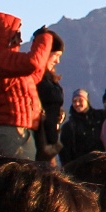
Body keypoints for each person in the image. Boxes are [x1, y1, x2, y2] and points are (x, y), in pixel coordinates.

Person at [0, 12, 55, 162]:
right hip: (12, 131)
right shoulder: (0, 58)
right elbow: (33, 63)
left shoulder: (4, 62)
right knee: (22, 179)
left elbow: (34, 75)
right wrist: (44, 38)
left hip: (17, 130)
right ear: (6, 35)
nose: (20, 39)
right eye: (16, 34)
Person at [36, 33, 67, 164]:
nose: (57, 61)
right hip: (40, 139)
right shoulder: (37, 78)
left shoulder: (48, 78)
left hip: (49, 139)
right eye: (56, 55)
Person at [61, 88, 104, 164]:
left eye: (80, 100)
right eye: (74, 101)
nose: (77, 104)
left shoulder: (100, 117)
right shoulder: (68, 127)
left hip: (102, 163)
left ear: (87, 101)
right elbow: (65, 153)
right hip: (80, 167)